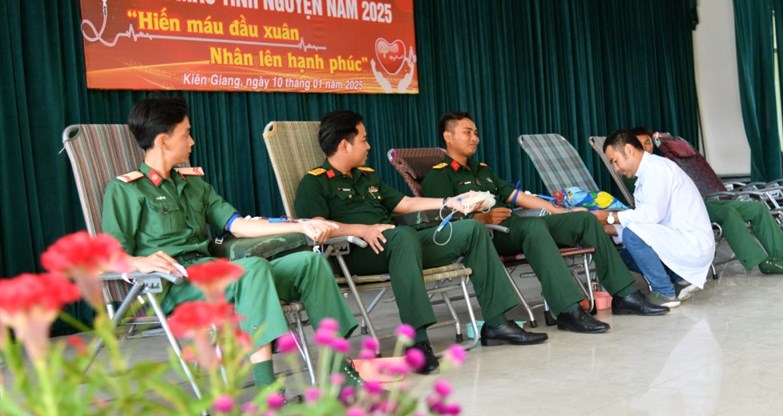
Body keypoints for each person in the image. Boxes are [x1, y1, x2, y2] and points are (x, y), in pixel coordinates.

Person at [102, 96, 360, 389]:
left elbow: (237, 225)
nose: (192, 142)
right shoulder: (125, 190)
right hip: (173, 284)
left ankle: (341, 371)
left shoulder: (194, 183)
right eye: (186, 134)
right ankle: (267, 390)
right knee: (251, 269)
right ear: (163, 141)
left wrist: (302, 226)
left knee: (310, 263)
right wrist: (139, 262)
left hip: (214, 273)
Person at [294, 110, 548, 375]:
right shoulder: (314, 183)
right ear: (344, 144)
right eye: (364, 139)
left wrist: (450, 202)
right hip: (356, 252)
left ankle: (496, 324)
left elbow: (405, 203)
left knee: (471, 229)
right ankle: (416, 342)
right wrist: (360, 229)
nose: (369, 145)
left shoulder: (367, 176)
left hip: (399, 245)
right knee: (403, 236)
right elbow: (315, 227)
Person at [421, 112, 669, 335]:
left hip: (516, 225)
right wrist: (482, 218)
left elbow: (517, 197)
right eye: (467, 133)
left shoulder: (483, 170)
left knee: (584, 219)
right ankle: (568, 310)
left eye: (476, 133)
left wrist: (558, 210)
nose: (475, 138)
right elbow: (445, 223)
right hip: (490, 236)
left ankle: (625, 294)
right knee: (535, 228)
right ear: (448, 137)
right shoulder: (439, 176)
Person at [631, 126, 783, 275]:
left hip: (706, 200)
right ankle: (764, 263)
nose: (646, 147)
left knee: (757, 208)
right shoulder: (639, 172)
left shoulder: (664, 163)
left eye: (648, 142)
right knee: (728, 213)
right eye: (641, 144)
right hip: (689, 209)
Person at [592, 130, 715, 308]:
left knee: (632, 236)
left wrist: (610, 217)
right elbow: (643, 224)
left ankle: (665, 292)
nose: (616, 169)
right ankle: (679, 279)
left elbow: (651, 215)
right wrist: (602, 226)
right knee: (623, 256)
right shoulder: (647, 174)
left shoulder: (656, 170)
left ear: (628, 150)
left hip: (692, 244)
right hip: (678, 240)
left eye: (615, 161)